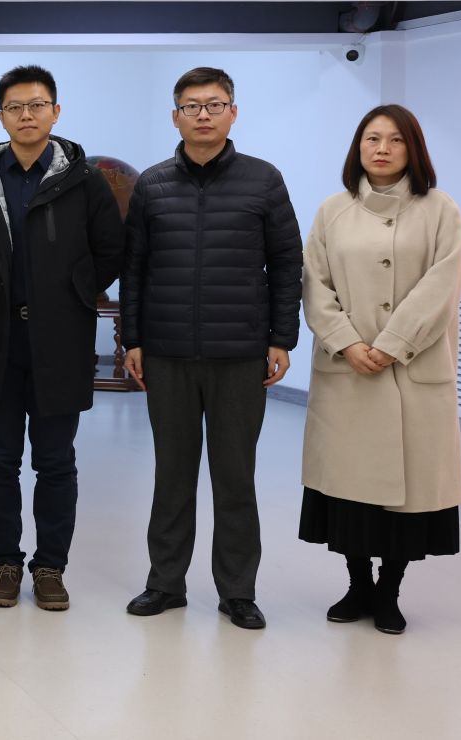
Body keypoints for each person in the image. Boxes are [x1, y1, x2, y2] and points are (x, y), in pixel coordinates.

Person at [121, 67, 303, 631]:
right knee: (172, 476)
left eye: (215, 104)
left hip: (240, 355)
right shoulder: (152, 185)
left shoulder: (264, 180)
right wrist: (133, 339)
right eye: (192, 106)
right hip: (168, 353)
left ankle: (238, 592)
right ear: (175, 116)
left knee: (235, 477)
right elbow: (134, 269)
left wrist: (282, 337)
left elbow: (287, 263)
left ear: (233, 112)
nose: (204, 115)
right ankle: (164, 583)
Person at [0, 65, 124, 613]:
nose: (26, 115)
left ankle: (50, 567)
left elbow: (111, 249)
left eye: (37, 105)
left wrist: (72, 293)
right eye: (15, 107)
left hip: (59, 342)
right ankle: (4, 563)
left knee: (55, 462)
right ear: (1, 116)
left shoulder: (84, 179)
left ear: (55, 111)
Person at [300, 105, 461, 635]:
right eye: (372, 139)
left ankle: (389, 591)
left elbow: (442, 286)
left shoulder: (440, 210)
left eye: (395, 140)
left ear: (413, 149)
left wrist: (394, 344)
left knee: (406, 499)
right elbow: (314, 285)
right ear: (358, 147)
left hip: (413, 372)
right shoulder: (333, 211)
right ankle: (357, 586)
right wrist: (347, 343)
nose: (382, 149)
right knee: (350, 492)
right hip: (348, 372)